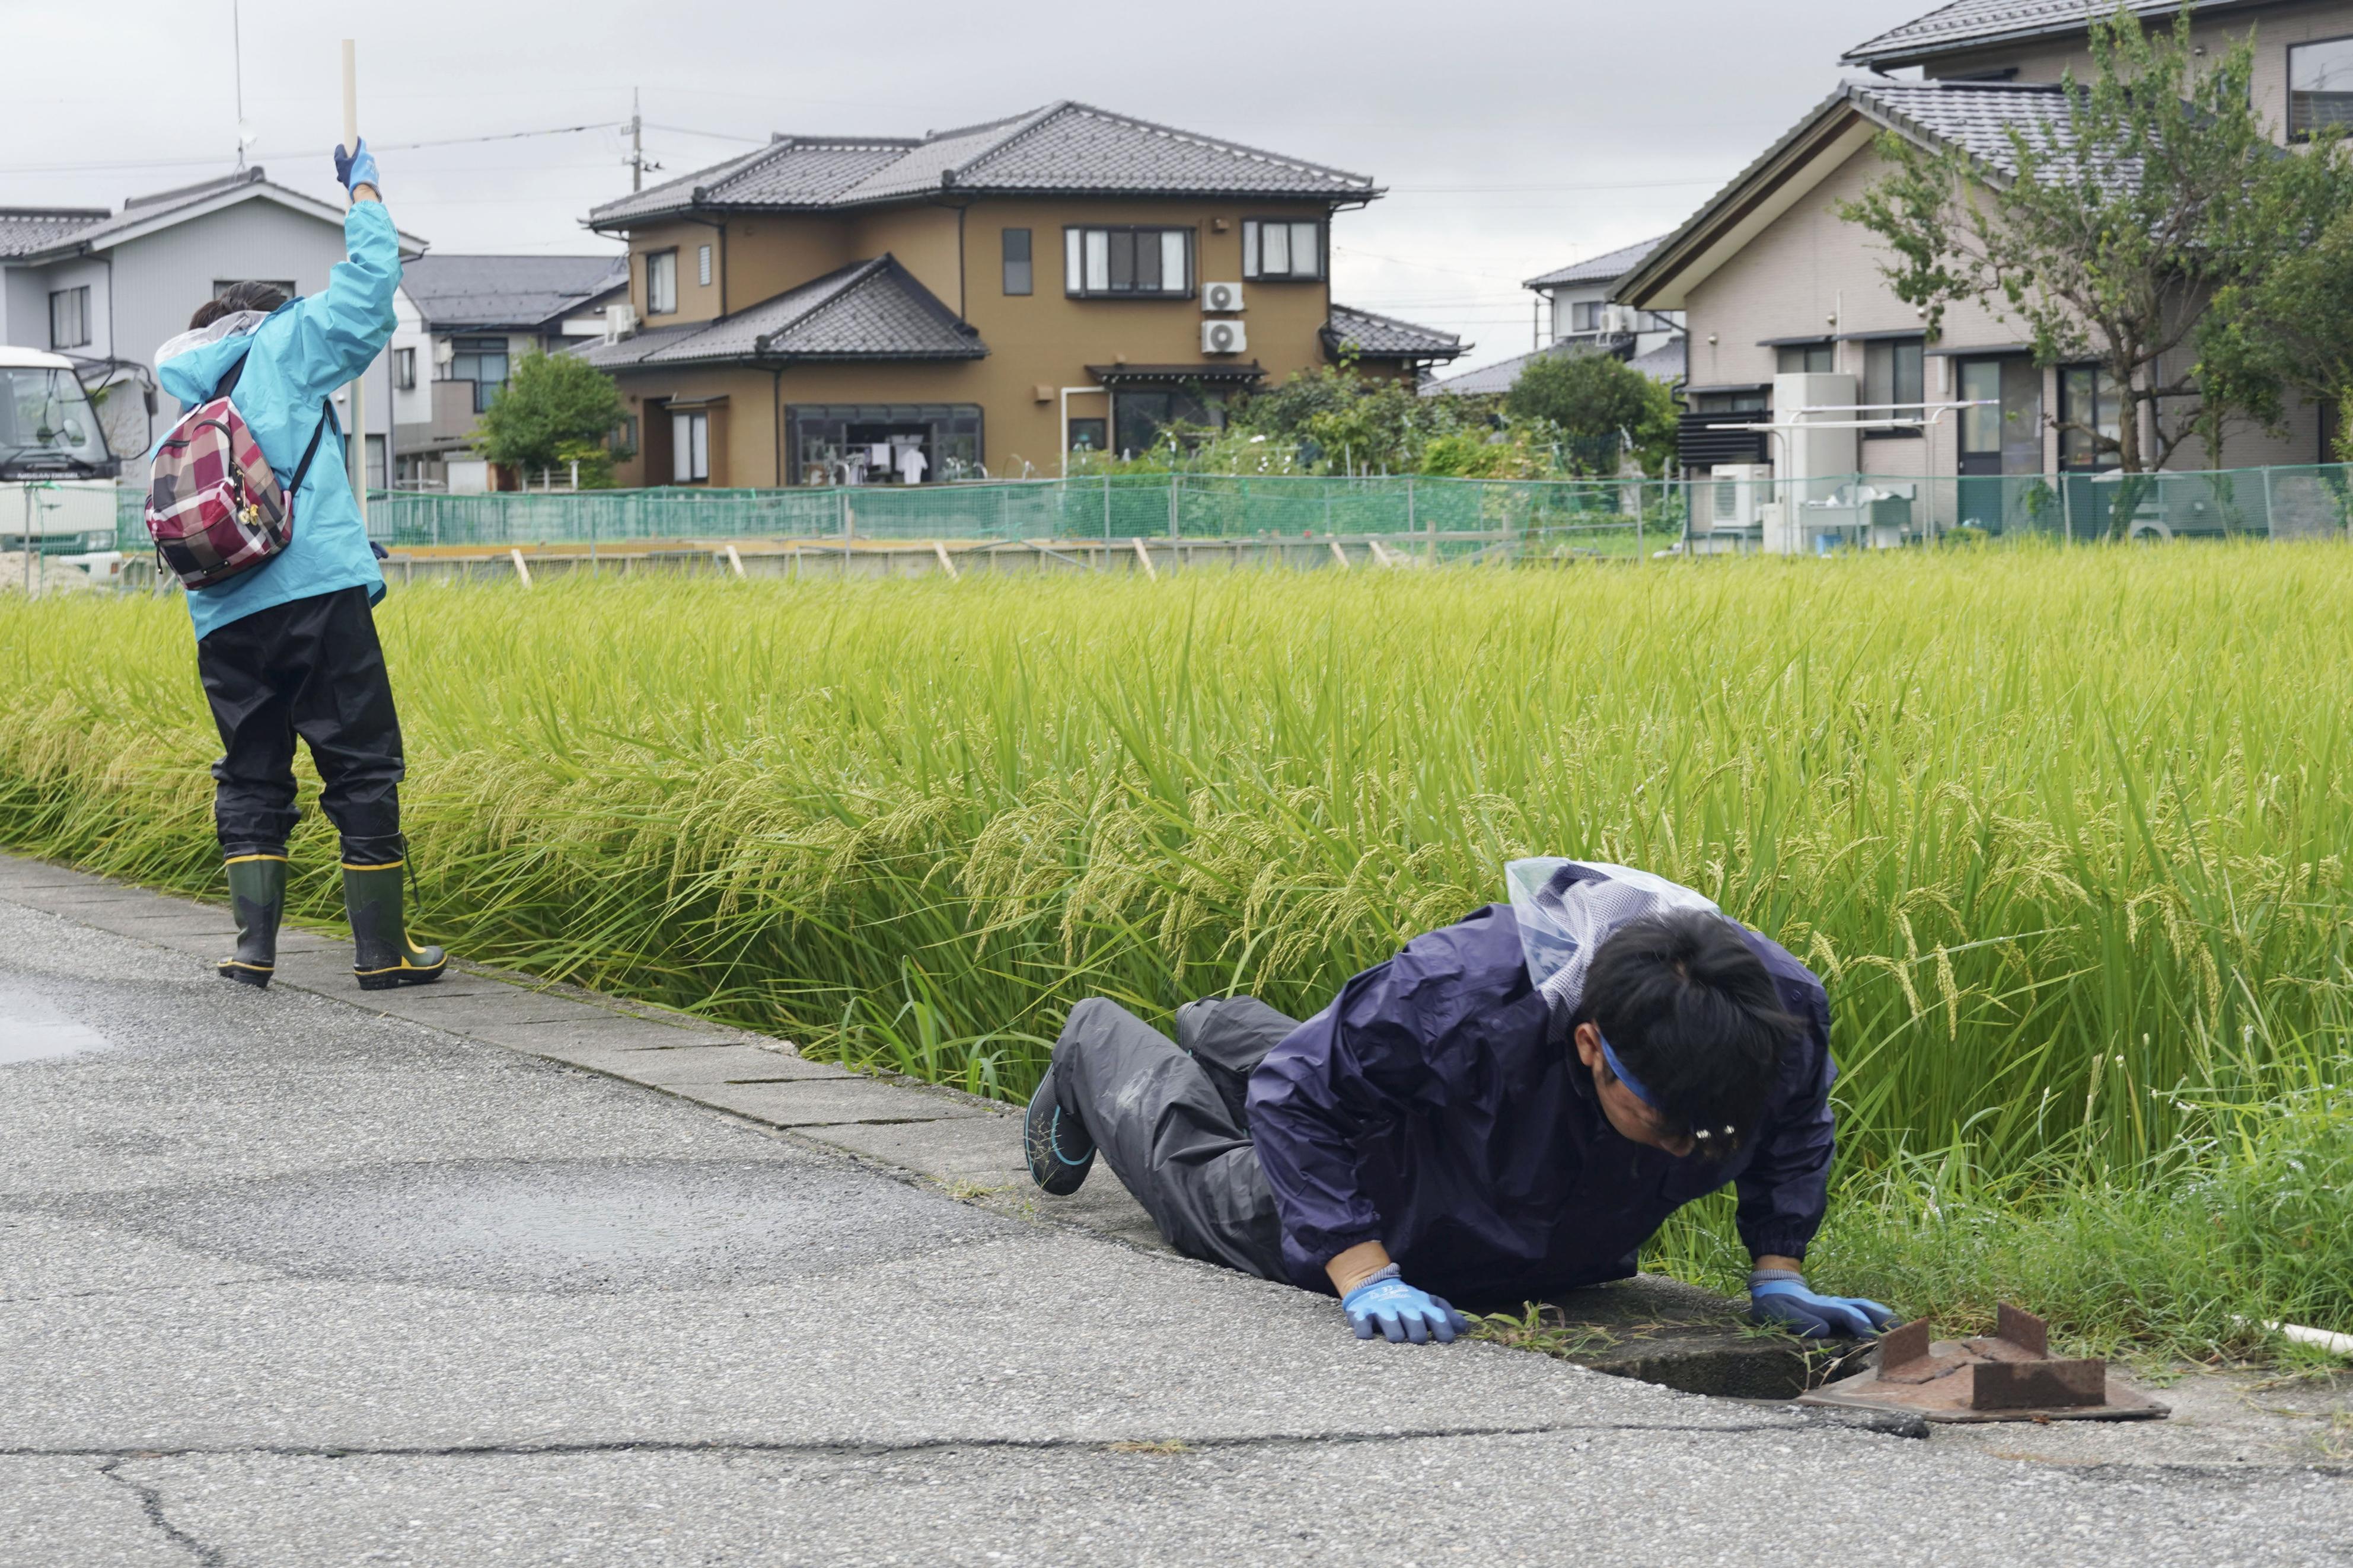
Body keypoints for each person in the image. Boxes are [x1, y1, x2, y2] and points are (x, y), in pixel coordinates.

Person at [1024, 860, 1896, 1345]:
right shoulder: (1463, 990)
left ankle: (1221, 1027)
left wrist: (1779, 1265)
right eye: (1665, 1124)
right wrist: (1360, 1267)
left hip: (1520, 1192)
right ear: (1592, 1045)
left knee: (1347, 1052)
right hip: (1403, 1182)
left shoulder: (1775, 1011)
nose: (1686, 1150)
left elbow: (1796, 1122)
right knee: (1213, 1186)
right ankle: (1095, 1045)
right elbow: (1296, 1096)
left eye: (1713, 1130)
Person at [151, 140, 445, 994]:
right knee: (359, 759)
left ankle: (254, 949)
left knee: (251, 766)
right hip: (317, 598)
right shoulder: (289, 343)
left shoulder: (190, 384)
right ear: (267, 314)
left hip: (222, 609)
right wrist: (363, 187)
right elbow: (372, 278)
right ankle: (382, 953)